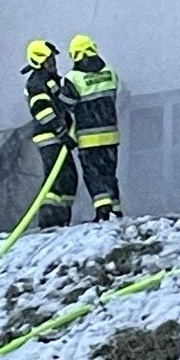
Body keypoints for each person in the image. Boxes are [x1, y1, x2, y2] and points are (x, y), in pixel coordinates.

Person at [61, 34, 123, 220]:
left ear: (74, 55)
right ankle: (116, 209)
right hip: (110, 135)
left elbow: (65, 105)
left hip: (88, 138)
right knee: (109, 173)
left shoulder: (73, 78)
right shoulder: (110, 73)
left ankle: (103, 210)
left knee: (94, 174)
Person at [22, 39, 80, 229]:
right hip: (48, 136)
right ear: (39, 61)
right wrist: (61, 132)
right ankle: (49, 220)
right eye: (49, 60)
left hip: (57, 134)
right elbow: (42, 111)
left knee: (68, 177)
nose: (53, 63)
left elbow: (60, 104)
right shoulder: (36, 82)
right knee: (55, 179)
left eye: (53, 60)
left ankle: (62, 217)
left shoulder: (50, 80)